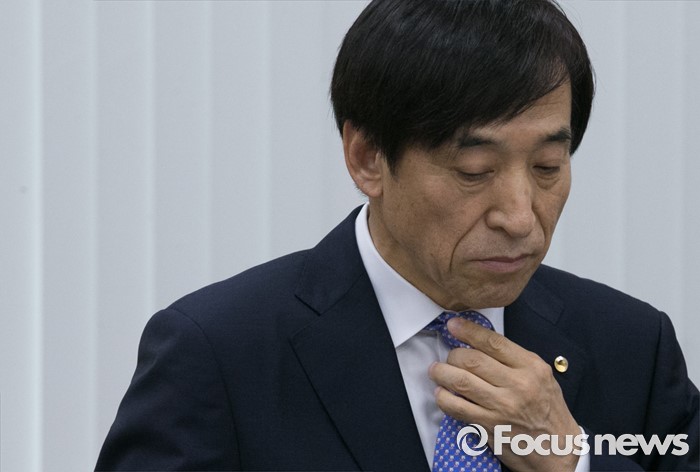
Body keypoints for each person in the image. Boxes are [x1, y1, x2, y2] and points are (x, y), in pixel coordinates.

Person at [95, 1, 699, 471]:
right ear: (367, 158)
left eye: (547, 167)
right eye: (474, 171)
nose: (520, 216)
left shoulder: (631, 345)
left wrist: (576, 461)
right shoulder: (220, 352)